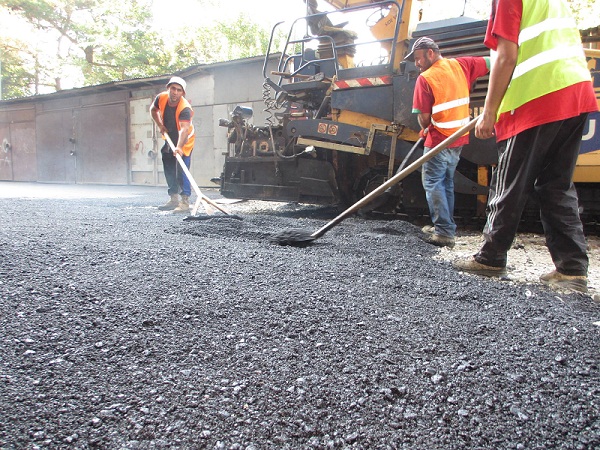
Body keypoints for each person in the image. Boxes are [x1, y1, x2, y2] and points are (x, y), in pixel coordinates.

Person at [453, 0, 598, 293]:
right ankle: (571, 269)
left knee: (510, 182)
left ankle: (491, 258)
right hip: (575, 90)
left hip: (537, 94)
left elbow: (505, 57)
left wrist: (490, 110)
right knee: (557, 185)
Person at [406, 37, 490, 248]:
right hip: (458, 138)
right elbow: (492, 62)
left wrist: (424, 127)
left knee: (433, 182)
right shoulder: (461, 65)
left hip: (438, 140)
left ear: (430, 53)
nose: (417, 64)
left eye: (418, 58)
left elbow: (424, 119)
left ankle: (443, 232)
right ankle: (447, 227)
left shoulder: (426, 78)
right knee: (447, 183)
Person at [150, 76, 196, 213]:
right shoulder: (161, 98)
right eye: (173, 88)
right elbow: (153, 110)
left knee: (182, 169)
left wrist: (179, 147)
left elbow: (184, 129)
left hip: (185, 140)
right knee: (168, 165)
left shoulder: (185, 108)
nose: (175, 92)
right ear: (168, 88)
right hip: (170, 137)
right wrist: (160, 125)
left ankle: (185, 202)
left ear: (183, 93)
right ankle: (173, 198)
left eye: (179, 90)